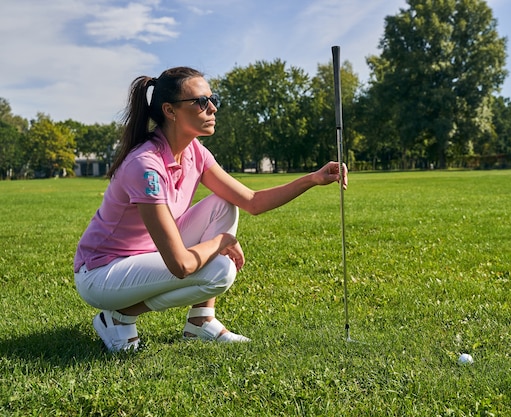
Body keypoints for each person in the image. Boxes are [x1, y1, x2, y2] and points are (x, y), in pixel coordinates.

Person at [73, 66, 348, 352]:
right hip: (102, 274)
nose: (213, 108)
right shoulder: (145, 165)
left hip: (145, 255)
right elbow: (180, 266)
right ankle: (119, 317)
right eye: (202, 101)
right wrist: (222, 242)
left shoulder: (195, 152)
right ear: (170, 110)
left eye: (212, 99)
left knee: (223, 203)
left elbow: (252, 201)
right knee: (220, 270)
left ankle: (201, 320)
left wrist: (313, 179)